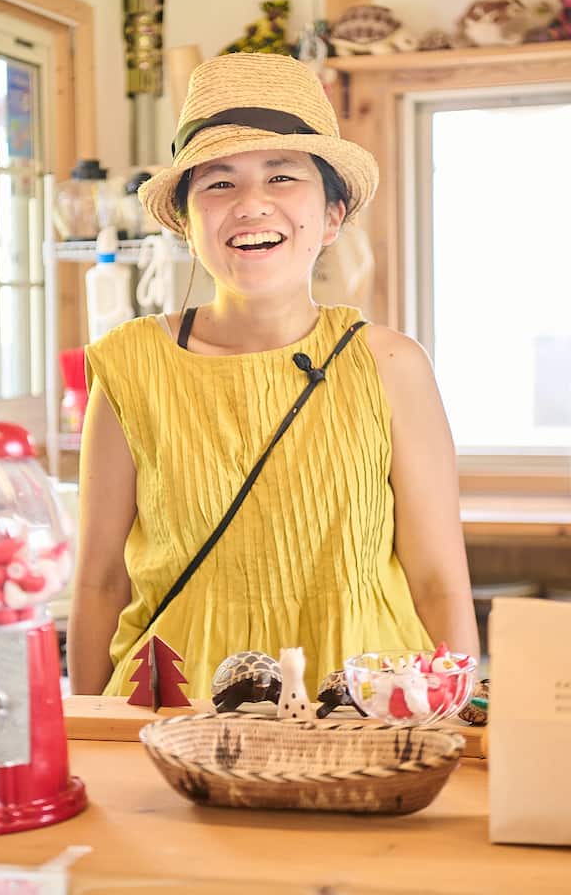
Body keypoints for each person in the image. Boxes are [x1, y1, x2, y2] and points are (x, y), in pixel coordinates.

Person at [68, 52, 479, 698]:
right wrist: (85, 731)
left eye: (282, 176)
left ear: (333, 215)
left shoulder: (392, 364)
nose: (252, 204)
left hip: (367, 707)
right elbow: (99, 582)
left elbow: (439, 582)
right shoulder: (128, 366)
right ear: (188, 224)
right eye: (219, 183)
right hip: (175, 710)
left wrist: (462, 719)